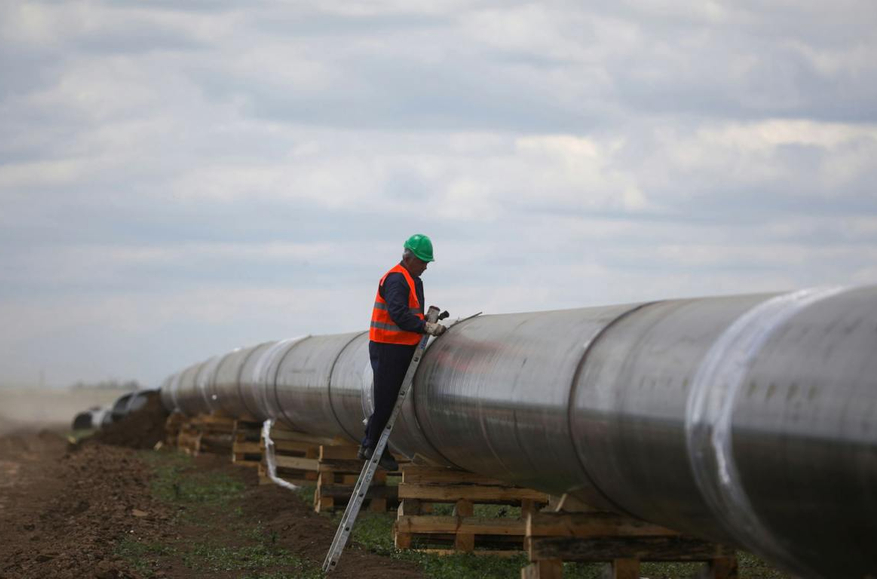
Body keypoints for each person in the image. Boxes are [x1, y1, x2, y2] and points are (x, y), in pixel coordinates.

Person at [359, 234, 447, 470]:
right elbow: (398, 314)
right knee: (386, 400)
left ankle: (371, 443)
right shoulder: (397, 279)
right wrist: (425, 326)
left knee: (389, 399)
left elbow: (410, 312)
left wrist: (422, 322)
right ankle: (372, 445)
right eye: (422, 261)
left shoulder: (412, 279)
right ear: (409, 258)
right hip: (388, 347)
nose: (426, 266)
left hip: (400, 346)